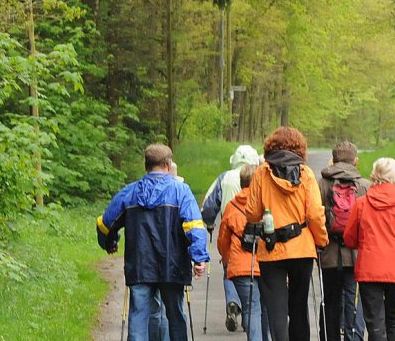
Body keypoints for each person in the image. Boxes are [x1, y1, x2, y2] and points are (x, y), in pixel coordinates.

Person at [96, 144, 209, 341]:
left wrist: (109, 242)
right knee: (175, 317)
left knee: (138, 319)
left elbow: (105, 224)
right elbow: (195, 226)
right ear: (168, 164)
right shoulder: (181, 191)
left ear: (146, 165)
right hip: (172, 267)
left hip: (140, 267)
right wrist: (199, 258)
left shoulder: (129, 193)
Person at [245, 126, 328, 341]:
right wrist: (321, 241)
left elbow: (252, 213)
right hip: (301, 249)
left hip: (271, 250)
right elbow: (316, 214)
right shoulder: (306, 174)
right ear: (300, 148)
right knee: (299, 307)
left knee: (277, 310)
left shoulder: (262, 173)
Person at [343, 158, 395, 341]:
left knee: (375, 324)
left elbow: (349, 238)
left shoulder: (362, 203)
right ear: (393, 177)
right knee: (394, 319)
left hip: (369, 271)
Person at [202, 145, 262, 331]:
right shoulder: (261, 179)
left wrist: (210, 224)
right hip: (258, 244)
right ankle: (251, 321)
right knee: (257, 303)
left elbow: (209, 205)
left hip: (232, 232)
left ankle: (234, 301)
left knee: (232, 270)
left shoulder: (224, 177)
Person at [317, 142, 368, 341]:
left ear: (334, 159)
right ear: (355, 160)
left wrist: (318, 243)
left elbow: (315, 217)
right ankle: (351, 336)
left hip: (329, 252)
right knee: (350, 295)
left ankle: (330, 336)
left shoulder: (321, 184)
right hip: (355, 253)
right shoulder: (365, 186)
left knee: (330, 298)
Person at [217, 164, 269, 341]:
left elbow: (223, 241)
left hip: (241, 268)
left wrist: (227, 259)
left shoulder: (232, 207)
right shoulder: (269, 206)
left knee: (251, 309)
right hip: (268, 265)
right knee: (267, 309)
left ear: (241, 183)